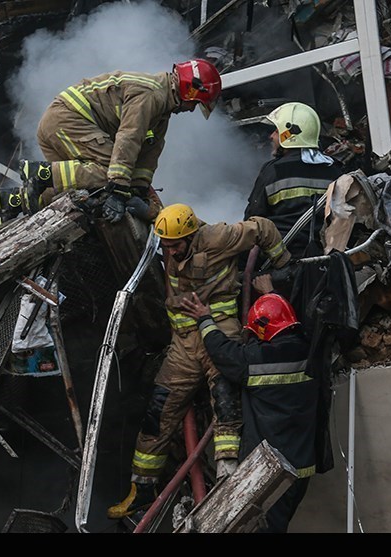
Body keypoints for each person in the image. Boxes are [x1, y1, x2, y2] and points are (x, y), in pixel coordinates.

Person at [106, 203, 293, 520]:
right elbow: (158, 213)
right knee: (158, 413)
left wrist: (284, 263)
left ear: (192, 235)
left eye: (175, 244)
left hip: (220, 335)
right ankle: (142, 491)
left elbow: (262, 227)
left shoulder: (218, 237)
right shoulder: (170, 241)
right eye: (165, 244)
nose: (170, 250)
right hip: (182, 346)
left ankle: (227, 480)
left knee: (226, 404)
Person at [178, 289, 317, 533]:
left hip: (272, 471)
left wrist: (205, 319)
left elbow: (225, 355)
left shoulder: (260, 359)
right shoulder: (308, 352)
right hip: (302, 467)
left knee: (264, 528)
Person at [19, 59, 222, 223]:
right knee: (110, 172)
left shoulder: (162, 111)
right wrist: (118, 188)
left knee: (83, 187)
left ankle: (14, 200)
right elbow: (129, 137)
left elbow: (149, 155)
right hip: (66, 120)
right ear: (190, 90)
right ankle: (41, 173)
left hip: (63, 123)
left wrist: (139, 189)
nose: (192, 109)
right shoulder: (151, 94)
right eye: (195, 104)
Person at [244, 102, 344, 259]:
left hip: (279, 259)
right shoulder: (335, 171)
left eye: (277, 131)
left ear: (289, 134)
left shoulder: (273, 171)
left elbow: (254, 220)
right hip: (325, 257)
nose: (271, 136)